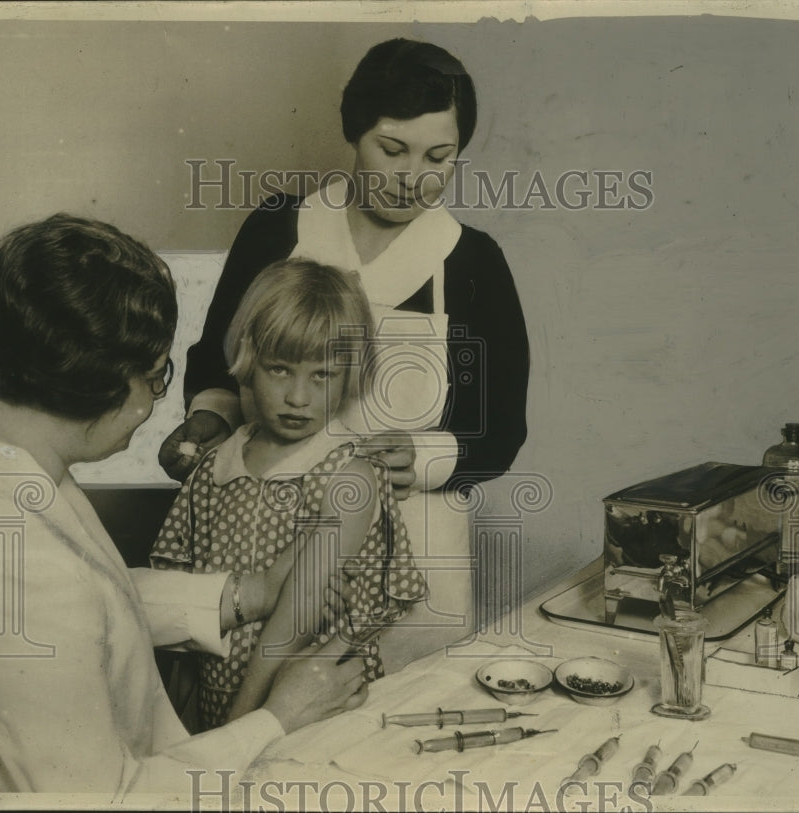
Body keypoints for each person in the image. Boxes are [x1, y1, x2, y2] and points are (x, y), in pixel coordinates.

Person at [0, 215, 368, 795]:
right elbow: (108, 801)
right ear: (111, 385)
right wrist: (277, 716)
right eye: (158, 378)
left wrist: (248, 592)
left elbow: (94, 601)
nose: (153, 401)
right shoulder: (18, 570)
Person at [158, 39, 531, 664]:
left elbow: (502, 430)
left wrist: (426, 455)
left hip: (414, 547)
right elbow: (216, 363)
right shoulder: (281, 228)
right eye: (393, 150)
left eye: (440, 158)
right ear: (353, 133)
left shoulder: (474, 263)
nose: (415, 178)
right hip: (268, 536)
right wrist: (208, 421)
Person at [150, 259, 427, 731]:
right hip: (217, 712)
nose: (299, 397)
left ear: (350, 374)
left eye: (322, 376)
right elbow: (175, 605)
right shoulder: (213, 470)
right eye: (280, 370)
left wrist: (246, 725)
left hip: (312, 709)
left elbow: (297, 617)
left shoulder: (350, 475)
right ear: (248, 360)